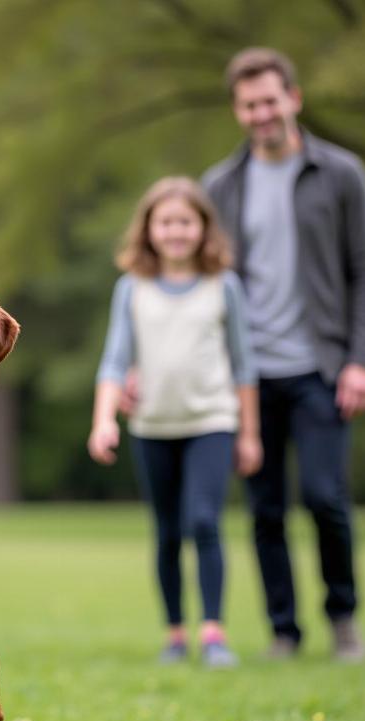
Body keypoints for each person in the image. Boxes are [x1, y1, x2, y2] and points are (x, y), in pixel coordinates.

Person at [203, 47, 365, 661]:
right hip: (248, 377)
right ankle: (284, 630)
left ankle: (343, 618)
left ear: (294, 99)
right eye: (249, 104)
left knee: (325, 496)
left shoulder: (340, 175)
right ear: (238, 110)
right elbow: (202, 287)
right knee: (264, 509)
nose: (261, 113)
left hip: (322, 368)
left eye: (270, 100)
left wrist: (361, 358)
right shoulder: (221, 186)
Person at [88, 176, 261, 667]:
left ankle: (213, 634)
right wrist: (105, 421)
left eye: (186, 222)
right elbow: (115, 362)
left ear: (204, 228)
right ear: (149, 230)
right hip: (152, 427)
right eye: (166, 222)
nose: (176, 231)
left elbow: (245, 366)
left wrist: (249, 434)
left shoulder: (223, 286)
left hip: (213, 421)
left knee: (204, 521)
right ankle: (175, 634)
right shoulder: (132, 289)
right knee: (166, 531)